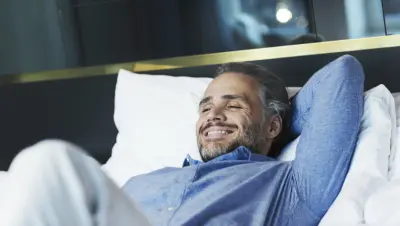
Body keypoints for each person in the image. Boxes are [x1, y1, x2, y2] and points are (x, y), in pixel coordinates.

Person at [0, 55, 365, 226]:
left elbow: (342, 72)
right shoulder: (145, 180)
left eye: (233, 105)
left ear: (272, 126)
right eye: (205, 107)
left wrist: (279, 123)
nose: (213, 116)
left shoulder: (290, 186)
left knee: (50, 162)